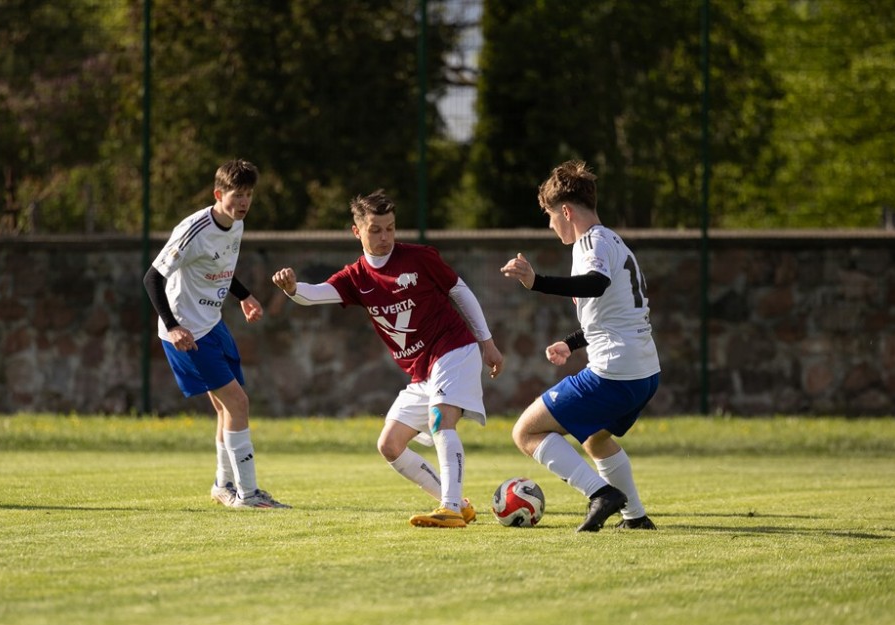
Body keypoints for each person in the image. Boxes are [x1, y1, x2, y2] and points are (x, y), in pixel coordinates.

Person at [272, 189, 504, 528]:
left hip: (454, 349)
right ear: (357, 231)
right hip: (422, 373)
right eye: (376, 230)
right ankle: (461, 505)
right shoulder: (356, 277)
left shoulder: (419, 258)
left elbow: (460, 291)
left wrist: (488, 342)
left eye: (391, 228)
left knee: (441, 420)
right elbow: (315, 294)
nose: (385, 237)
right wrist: (293, 289)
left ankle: (451, 508)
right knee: (390, 445)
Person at [500, 160, 660, 532]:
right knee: (595, 439)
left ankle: (601, 494)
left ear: (567, 212)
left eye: (551, 215)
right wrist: (572, 343)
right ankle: (635, 517)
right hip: (645, 372)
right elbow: (613, 312)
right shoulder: (613, 241)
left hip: (615, 373)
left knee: (526, 433)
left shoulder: (592, 242)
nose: (551, 225)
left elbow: (595, 284)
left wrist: (536, 281)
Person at [143, 158, 289, 510]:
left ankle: (223, 486)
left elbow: (219, 266)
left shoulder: (236, 224)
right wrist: (173, 327)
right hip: (188, 332)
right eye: (237, 195)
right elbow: (152, 278)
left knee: (227, 408)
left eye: (249, 195)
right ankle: (248, 495)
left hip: (212, 324)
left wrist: (244, 295)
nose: (244, 202)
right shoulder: (193, 230)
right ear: (218, 194)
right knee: (238, 403)